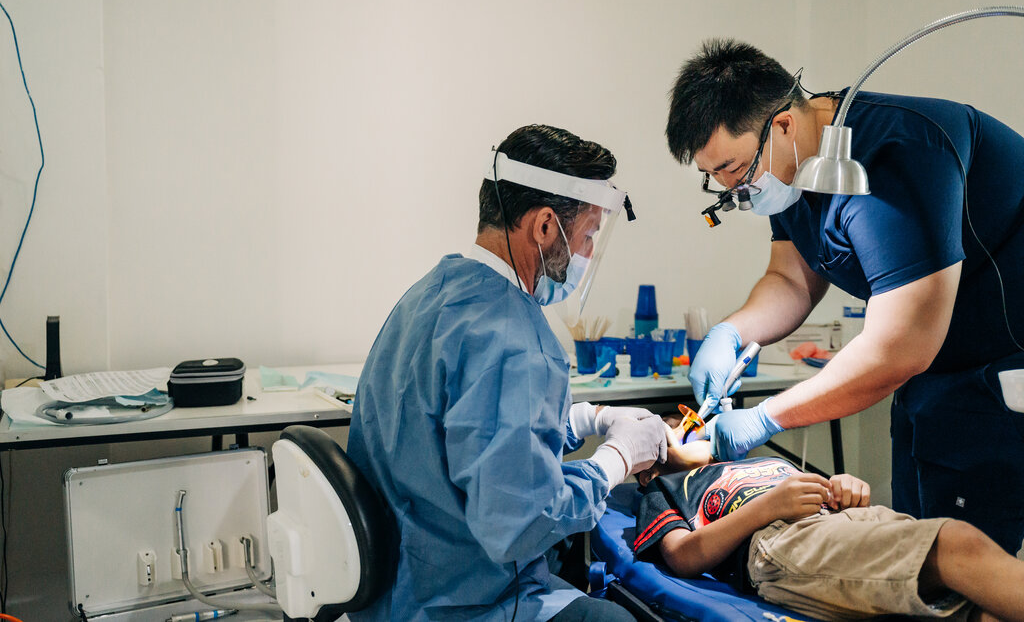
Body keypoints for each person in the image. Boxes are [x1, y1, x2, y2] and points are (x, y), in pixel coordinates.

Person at [666, 39, 1024, 555]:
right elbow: (791, 280)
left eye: (733, 168)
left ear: (783, 125)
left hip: (998, 379)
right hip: (934, 383)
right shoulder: (794, 169)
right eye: (714, 176)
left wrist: (767, 418)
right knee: (919, 556)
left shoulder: (898, 155)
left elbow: (897, 350)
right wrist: (734, 331)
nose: (732, 188)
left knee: (974, 569)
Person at [347, 124, 670, 621]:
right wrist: (617, 459)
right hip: (462, 599)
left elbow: (463, 432)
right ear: (544, 227)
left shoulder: (431, 294)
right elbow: (519, 523)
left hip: (398, 589)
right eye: (587, 236)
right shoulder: (519, 344)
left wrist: (584, 420)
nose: (586, 254)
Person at [633, 429, 1024, 622]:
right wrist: (768, 506)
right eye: (675, 425)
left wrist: (843, 486)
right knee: (957, 544)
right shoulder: (665, 487)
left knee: (978, 607)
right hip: (783, 540)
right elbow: (683, 556)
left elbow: (814, 494)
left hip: (842, 521)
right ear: (647, 465)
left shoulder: (754, 461)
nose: (691, 426)